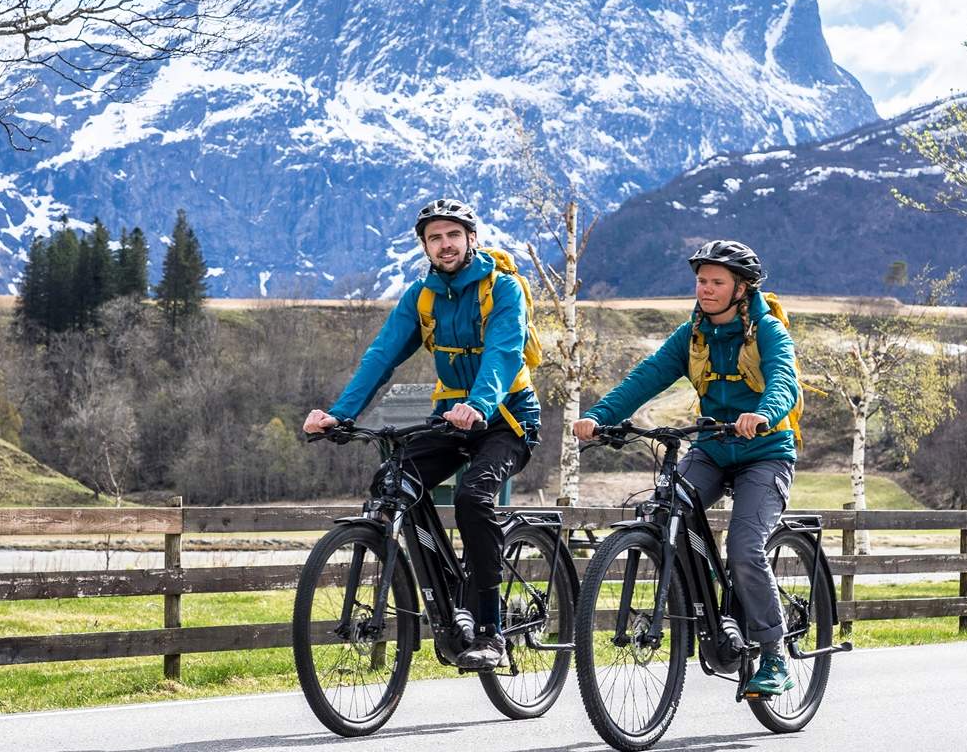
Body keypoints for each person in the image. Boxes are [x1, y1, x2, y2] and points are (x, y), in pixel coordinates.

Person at [303, 198, 541, 671]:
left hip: (508, 419)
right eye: (435, 237)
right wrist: (340, 414)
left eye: (453, 234)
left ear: (471, 239)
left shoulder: (504, 289)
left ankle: (492, 630)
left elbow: (504, 353)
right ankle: (452, 599)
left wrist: (478, 404)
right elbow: (381, 355)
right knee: (393, 482)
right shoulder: (423, 296)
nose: (445, 244)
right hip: (450, 419)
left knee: (474, 498)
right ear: (426, 247)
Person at [571, 239, 802, 696]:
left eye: (717, 282)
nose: (706, 289)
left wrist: (764, 414)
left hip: (765, 452)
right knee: (663, 509)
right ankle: (708, 600)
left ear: (741, 288)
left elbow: (783, 381)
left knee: (745, 547)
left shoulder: (768, 331)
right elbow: (646, 377)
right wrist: (600, 416)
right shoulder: (692, 335)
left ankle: (774, 655)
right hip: (713, 449)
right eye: (701, 280)